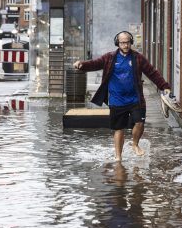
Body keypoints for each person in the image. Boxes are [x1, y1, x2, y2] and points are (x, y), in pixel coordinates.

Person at [73, 31, 171, 161]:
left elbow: (152, 72)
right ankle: (118, 157)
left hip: (135, 98)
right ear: (117, 43)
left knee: (140, 122)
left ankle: (135, 144)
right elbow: (94, 64)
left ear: (131, 42)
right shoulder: (109, 58)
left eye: (127, 42)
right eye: (122, 42)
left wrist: (164, 86)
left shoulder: (138, 58)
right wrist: (82, 65)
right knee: (119, 128)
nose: (125, 45)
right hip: (117, 100)